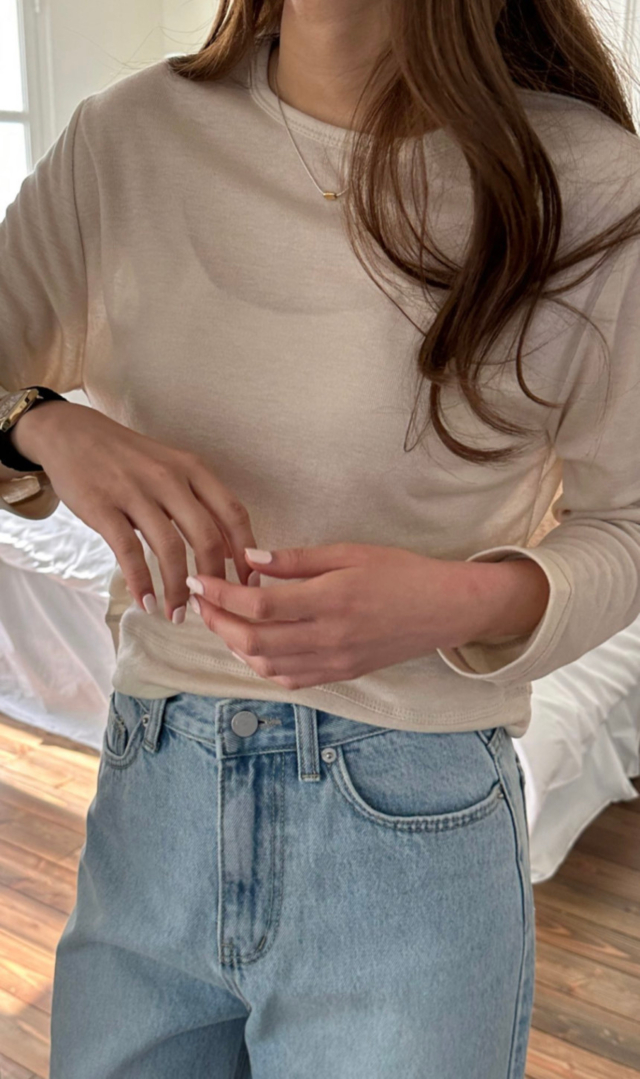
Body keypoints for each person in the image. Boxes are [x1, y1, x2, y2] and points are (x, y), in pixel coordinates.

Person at [1, 0, 640, 1075]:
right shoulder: (128, 138)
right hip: (151, 802)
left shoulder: (584, 182)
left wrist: (459, 600)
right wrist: (45, 425)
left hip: (413, 828)